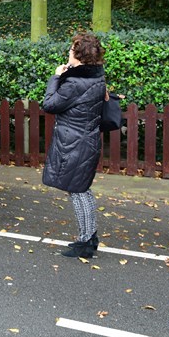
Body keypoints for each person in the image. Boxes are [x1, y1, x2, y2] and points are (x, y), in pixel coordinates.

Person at [42, 33, 106, 259]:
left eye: (71, 50)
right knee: (80, 190)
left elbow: (50, 104)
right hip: (85, 140)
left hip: (75, 143)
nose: (68, 52)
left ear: (79, 56)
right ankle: (88, 236)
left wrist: (56, 78)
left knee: (78, 191)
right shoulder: (97, 77)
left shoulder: (74, 83)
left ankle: (86, 242)